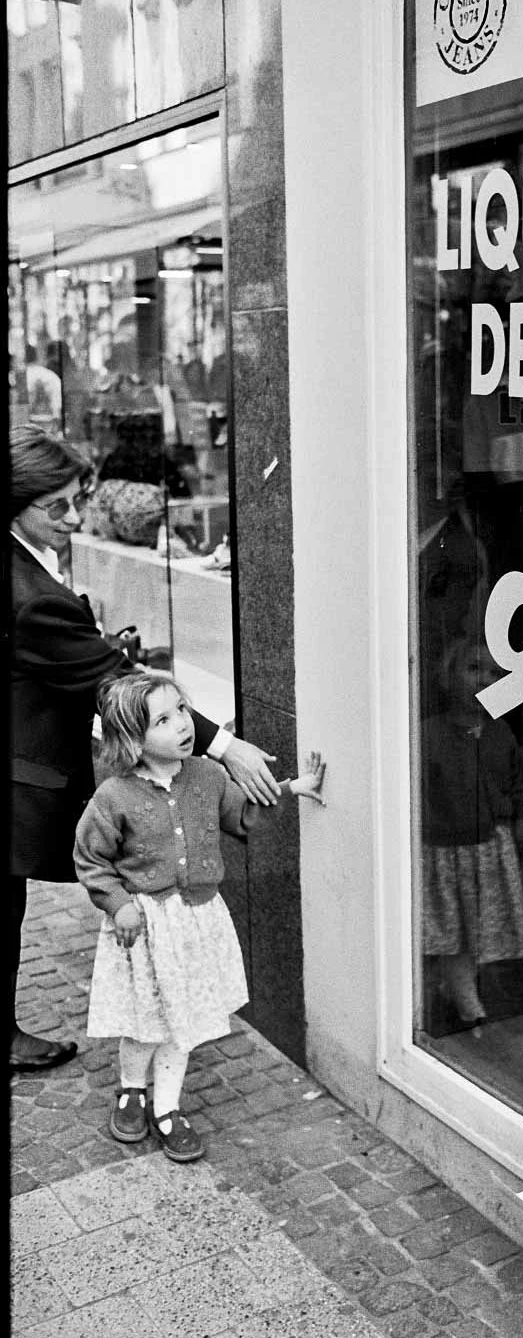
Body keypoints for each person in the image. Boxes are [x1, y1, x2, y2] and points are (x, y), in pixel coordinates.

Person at [7, 423, 283, 1073]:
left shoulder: (24, 566)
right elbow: (116, 683)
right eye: (58, 506)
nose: (74, 518)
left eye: (79, 499)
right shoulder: (35, 599)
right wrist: (223, 745)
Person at [72, 669, 325, 1162]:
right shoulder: (115, 796)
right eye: (163, 720)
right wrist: (119, 904)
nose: (183, 725)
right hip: (143, 926)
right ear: (132, 739)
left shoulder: (209, 777)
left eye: (182, 710)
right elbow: (90, 859)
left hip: (196, 921)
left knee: (180, 1020)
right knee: (147, 1019)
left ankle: (166, 1107)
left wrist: (291, 788)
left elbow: (244, 818)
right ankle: (131, 1089)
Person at [421, 636, 523, 1030]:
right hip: (446, 851)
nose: (484, 679)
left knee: (478, 930)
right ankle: (470, 1007)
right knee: (455, 934)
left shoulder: (500, 735)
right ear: (448, 677)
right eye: (473, 669)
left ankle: (456, 987)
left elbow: (518, 784)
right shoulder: (429, 735)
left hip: (487, 850)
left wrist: (519, 819)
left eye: (494, 673)